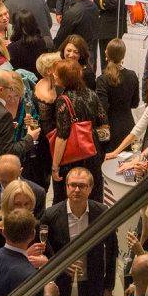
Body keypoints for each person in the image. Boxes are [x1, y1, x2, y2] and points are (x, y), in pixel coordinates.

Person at [38, 166, 117, 296]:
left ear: (90, 188)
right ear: (66, 187)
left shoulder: (102, 213)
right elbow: (44, 252)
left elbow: (112, 251)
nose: (76, 190)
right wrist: (62, 266)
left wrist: (108, 287)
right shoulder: (50, 215)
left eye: (82, 186)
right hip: (61, 285)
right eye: (72, 185)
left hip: (91, 285)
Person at [50, 58, 106, 201]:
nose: (54, 76)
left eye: (57, 74)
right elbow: (104, 124)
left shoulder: (63, 100)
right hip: (93, 151)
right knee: (91, 195)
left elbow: (62, 136)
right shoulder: (92, 94)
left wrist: (55, 166)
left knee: (69, 196)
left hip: (72, 157)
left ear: (64, 78)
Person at [96, 39, 140, 150]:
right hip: (128, 126)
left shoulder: (102, 79)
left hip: (110, 129)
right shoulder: (132, 75)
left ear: (106, 53)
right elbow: (135, 104)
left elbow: (102, 108)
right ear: (123, 56)